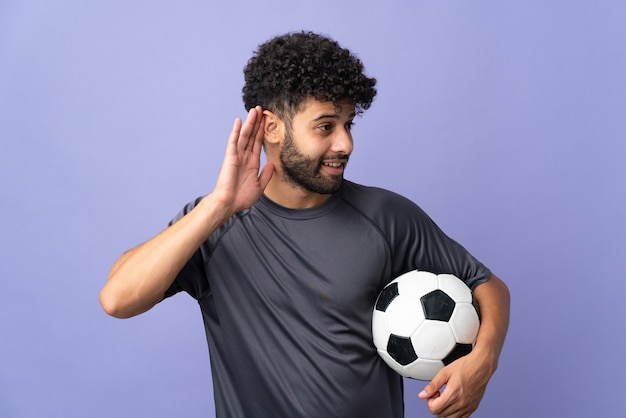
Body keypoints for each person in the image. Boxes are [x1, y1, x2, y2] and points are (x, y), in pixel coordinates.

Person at [101, 31, 510, 418]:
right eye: (325, 126)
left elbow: (487, 285)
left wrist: (484, 360)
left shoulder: (386, 215)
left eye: (348, 124)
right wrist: (219, 205)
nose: (345, 143)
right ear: (272, 128)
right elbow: (118, 299)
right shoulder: (214, 224)